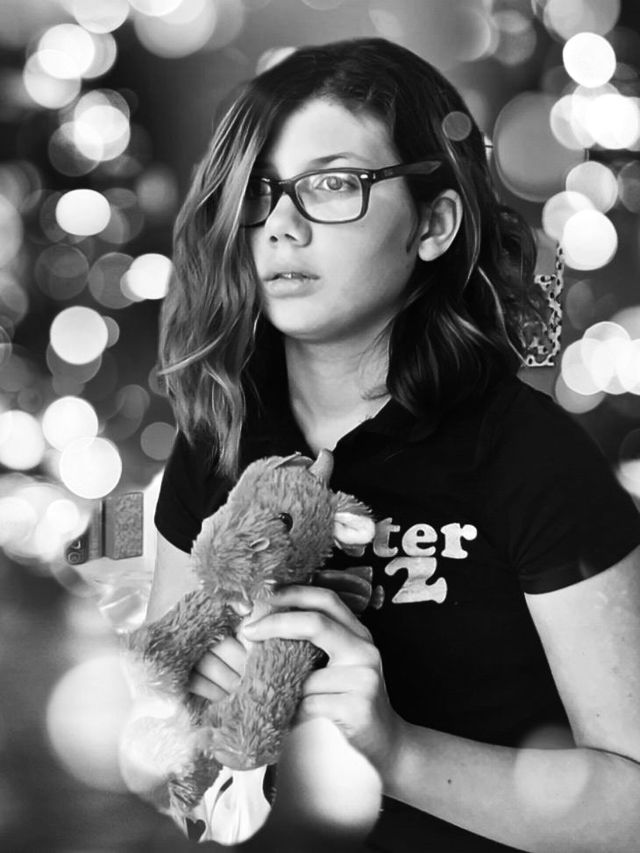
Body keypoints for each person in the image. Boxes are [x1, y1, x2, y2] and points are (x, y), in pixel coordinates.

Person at [146, 37, 640, 852]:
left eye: (333, 183)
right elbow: (167, 776)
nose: (281, 226)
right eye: (261, 190)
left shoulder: (531, 455)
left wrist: (397, 750)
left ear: (434, 224)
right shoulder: (216, 438)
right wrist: (185, 723)